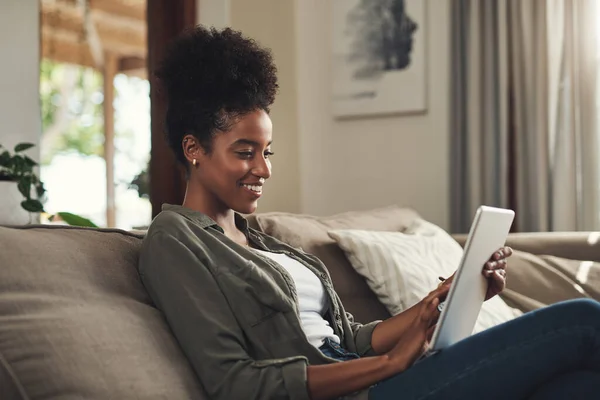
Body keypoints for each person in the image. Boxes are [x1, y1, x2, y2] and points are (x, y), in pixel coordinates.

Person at [138, 26, 600, 400]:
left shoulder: (260, 240)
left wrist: (441, 301)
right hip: (372, 389)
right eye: (245, 152)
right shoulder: (175, 240)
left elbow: (350, 338)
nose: (264, 169)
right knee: (580, 319)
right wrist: (389, 365)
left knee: (579, 386)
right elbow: (237, 383)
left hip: (385, 380)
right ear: (193, 149)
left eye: (267, 151)